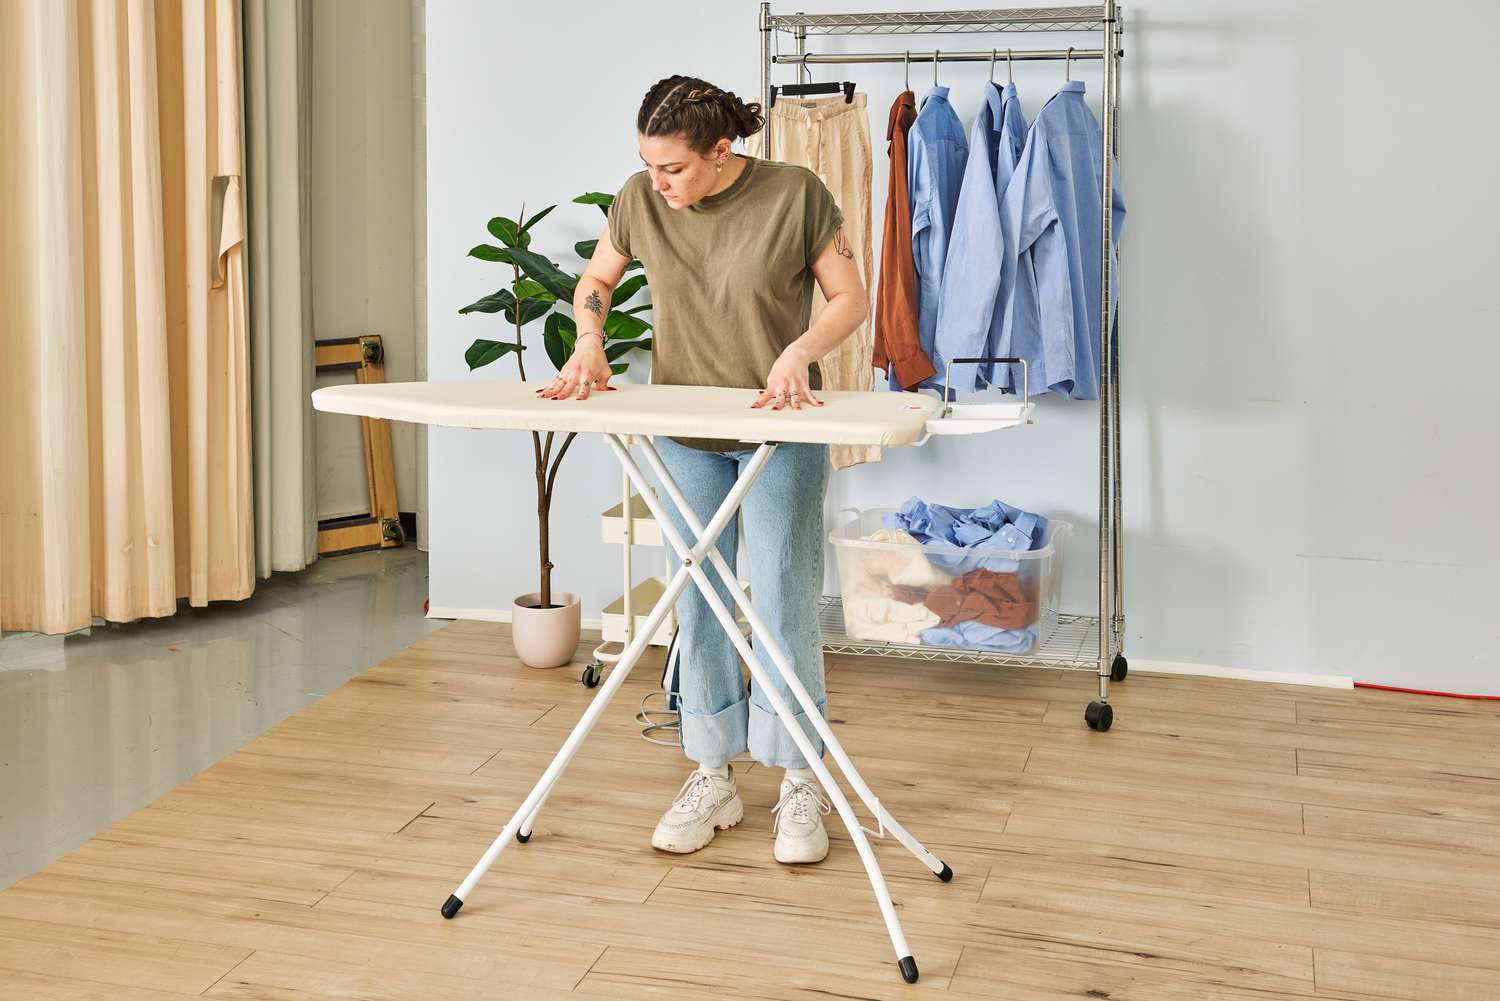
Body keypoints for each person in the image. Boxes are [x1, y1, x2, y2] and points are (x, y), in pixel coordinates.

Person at [534, 75, 867, 864]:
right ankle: (712, 772)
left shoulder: (797, 195)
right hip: (686, 432)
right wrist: (589, 339)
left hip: (777, 427)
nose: (657, 183)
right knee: (701, 597)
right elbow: (596, 281)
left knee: (782, 596)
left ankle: (797, 779)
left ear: (721, 153)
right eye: (647, 165)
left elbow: (849, 297)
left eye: (673, 168)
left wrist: (799, 352)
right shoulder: (640, 199)